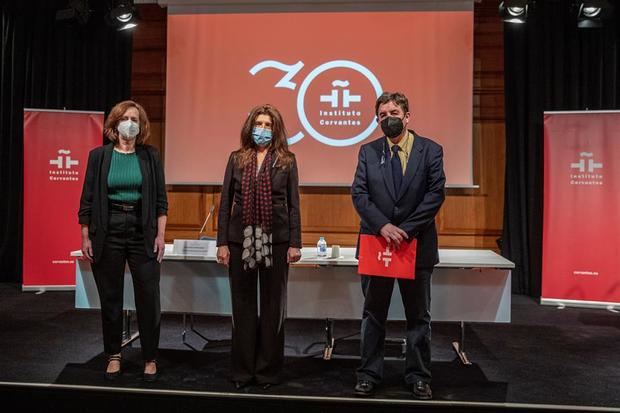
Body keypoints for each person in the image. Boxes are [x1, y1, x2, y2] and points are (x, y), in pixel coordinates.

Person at [351, 92, 445, 399]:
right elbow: (360, 195)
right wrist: (383, 226)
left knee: (418, 316)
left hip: (415, 244)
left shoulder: (430, 150)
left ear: (407, 116)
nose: (386, 118)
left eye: (393, 112)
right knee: (373, 314)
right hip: (376, 242)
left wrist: (403, 230)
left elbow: (435, 194)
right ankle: (368, 374)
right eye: (381, 115)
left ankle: (418, 375)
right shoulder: (368, 152)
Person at [78, 100, 168, 382]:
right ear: (115, 123)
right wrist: (85, 235)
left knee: (149, 297)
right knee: (111, 297)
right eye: (126, 118)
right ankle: (114, 355)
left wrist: (161, 236)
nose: (131, 123)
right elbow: (87, 201)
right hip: (108, 230)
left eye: (136, 119)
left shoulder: (150, 156)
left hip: (143, 231)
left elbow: (161, 201)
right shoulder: (99, 156)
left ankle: (150, 357)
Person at [216, 104, 302, 390]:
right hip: (241, 240)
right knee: (242, 305)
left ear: (275, 130)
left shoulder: (287, 160)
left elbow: (293, 205)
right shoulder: (237, 159)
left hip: (276, 241)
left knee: (273, 306)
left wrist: (294, 243)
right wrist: (222, 243)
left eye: (267, 125)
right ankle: (242, 371)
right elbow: (226, 202)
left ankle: (267, 372)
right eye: (258, 124)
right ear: (249, 127)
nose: (262, 129)